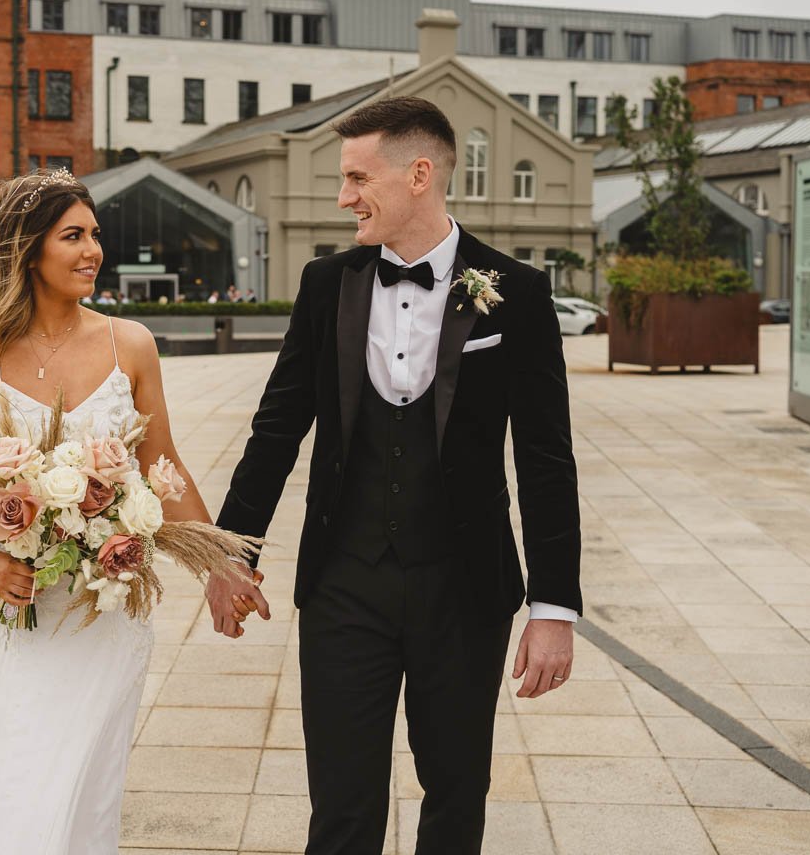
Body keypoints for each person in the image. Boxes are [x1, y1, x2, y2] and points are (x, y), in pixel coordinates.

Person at [207, 96, 583, 854]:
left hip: (466, 590)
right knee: (342, 808)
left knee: (456, 797)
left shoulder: (516, 291)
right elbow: (277, 429)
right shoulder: (326, 284)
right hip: (344, 584)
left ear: (418, 175)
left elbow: (546, 458)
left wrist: (553, 608)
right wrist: (228, 555)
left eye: (357, 178)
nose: (343, 197)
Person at [0, 169, 221, 853]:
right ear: (30, 250)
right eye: (73, 236)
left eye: (95, 235)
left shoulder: (131, 344)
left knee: (84, 789)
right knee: (17, 786)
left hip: (105, 617)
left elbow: (163, 467)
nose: (94, 251)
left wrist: (220, 567)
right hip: (18, 614)